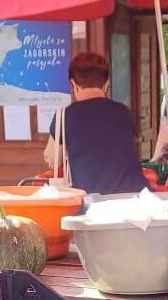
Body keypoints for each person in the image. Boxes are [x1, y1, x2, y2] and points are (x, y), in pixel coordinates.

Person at [42, 53, 144, 195]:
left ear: (73, 85)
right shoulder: (123, 112)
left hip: (93, 203)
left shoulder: (65, 116)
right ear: (106, 85)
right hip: (134, 198)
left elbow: (53, 159)